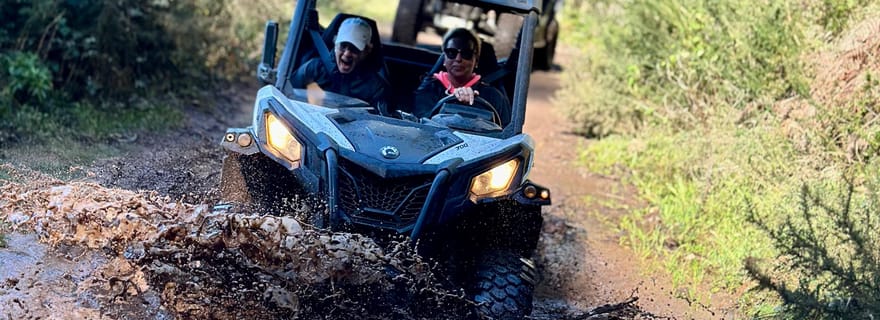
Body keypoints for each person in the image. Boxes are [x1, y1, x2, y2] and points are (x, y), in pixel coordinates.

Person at [412, 28, 511, 125]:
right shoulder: (429, 89)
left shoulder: (493, 96)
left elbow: (506, 134)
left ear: (475, 61)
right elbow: (421, 125)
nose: (458, 59)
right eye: (452, 53)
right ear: (444, 59)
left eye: (466, 54)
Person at [290, 17, 390, 112]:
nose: (347, 54)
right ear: (335, 45)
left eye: (354, 49)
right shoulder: (314, 68)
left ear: (366, 51)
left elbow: (377, 122)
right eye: (343, 46)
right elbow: (286, 94)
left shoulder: (375, 87)